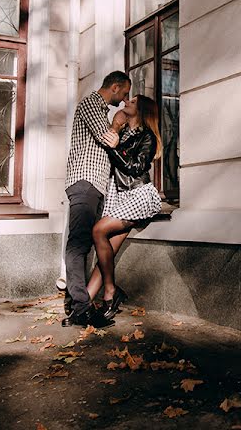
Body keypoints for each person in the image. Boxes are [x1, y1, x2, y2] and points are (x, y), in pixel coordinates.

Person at [61, 71, 131, 328]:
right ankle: (81, 308)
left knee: (85, 246)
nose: (125, 101)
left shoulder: (101, 110)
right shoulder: (91, 103)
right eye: (124, 94)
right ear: (114, 87)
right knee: (78, 245)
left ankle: (79, 305)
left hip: (94, 187)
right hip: (84, 183)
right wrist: (119, 123)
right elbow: (109, 138)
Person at [91, 94, 163, 321]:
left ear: (141, 110)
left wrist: (114, 149)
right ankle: (84, 301)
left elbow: (135, 168)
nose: (125, 102)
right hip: (118, 195)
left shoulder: (148, 137)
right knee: (108, 251)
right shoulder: (122, 133)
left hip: (137, 195)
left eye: (131, 101)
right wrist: (116, 127)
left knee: (98, 230)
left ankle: (111, 292)